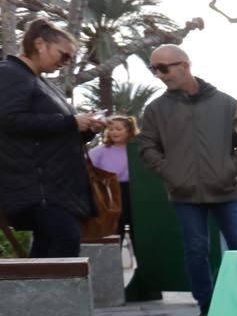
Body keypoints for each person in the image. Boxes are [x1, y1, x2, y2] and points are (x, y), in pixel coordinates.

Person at [134, 45, 237, 316]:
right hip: (184, 193)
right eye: (153, 69)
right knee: (196, 250)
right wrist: (172, 173)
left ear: (184, 65)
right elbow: (146, 147)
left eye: (163, 68)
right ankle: (207, 307)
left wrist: (231, 169)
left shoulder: (226, 103)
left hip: (226, 189)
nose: (158, 74)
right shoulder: (155, 109)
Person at [0, 21, 101, 257]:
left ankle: (34, 294)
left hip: (51, 185)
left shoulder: (38, 80)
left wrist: (87, 128)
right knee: (65, 239)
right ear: (39, 44)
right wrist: (71, 122)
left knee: (49, 244)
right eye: (63, 55)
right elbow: (9, 119)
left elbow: (53, 132)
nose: (65, 62)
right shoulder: (10, 73)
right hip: (37, 186)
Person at [87, 114, 138, 248]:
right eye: (111, 129)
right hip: (109, 194)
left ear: (129, 131)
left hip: (133, 192)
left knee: (135, 225)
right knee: (114, 227)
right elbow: (87, 168)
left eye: (118, 129)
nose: (114, 132)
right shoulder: (100, 151)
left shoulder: (137, 150)